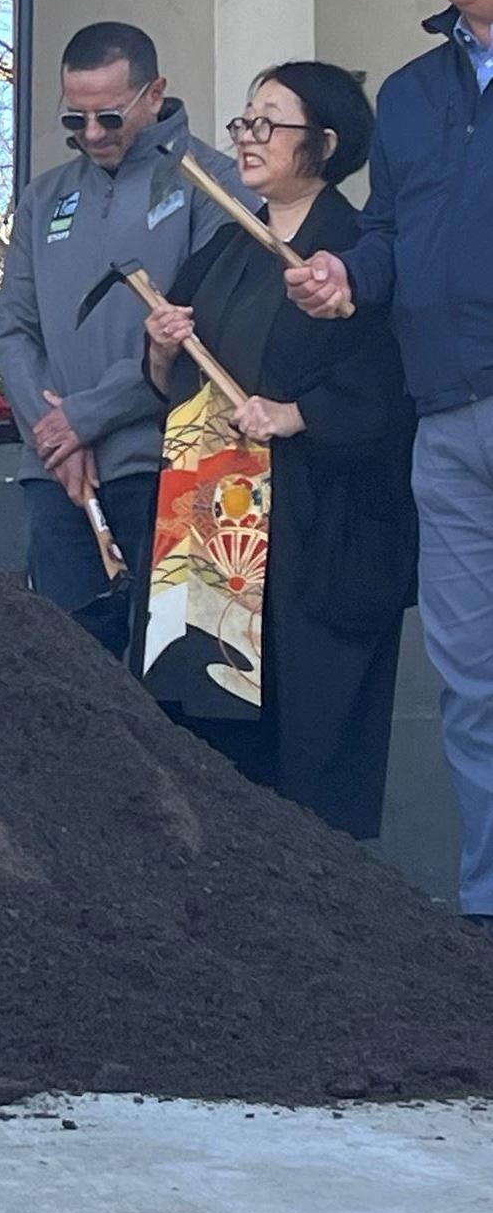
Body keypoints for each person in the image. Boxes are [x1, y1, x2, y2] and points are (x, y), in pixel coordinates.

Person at [288, 0, 493, 925]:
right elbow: (389, 235)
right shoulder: (413, 93)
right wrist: (346, 276)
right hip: (444, 422)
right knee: (470, 680)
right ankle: (487, 908)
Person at [140, 63, 414, 840]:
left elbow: (391, 381)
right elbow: (173, 382)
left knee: (307, 740)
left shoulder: (358, 251)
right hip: (214, 528)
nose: (247, 137)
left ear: (323, 143)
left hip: (315, 528)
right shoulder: (228, 244)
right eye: (244, 122)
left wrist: (297, 414)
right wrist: (163, 346)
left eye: (269, 123)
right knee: (212, 740)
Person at [0, 22, 242, 658]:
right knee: (68, 671)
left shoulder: (212, 183)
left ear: (154, 94)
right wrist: (52, 433)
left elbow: (205, 327)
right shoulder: (45, 196)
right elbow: (13, 327)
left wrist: (85, 416)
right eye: (74, 119)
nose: (93, 134)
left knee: (171, 672)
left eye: (109, 116)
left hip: (168, 462)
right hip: (57, 474)